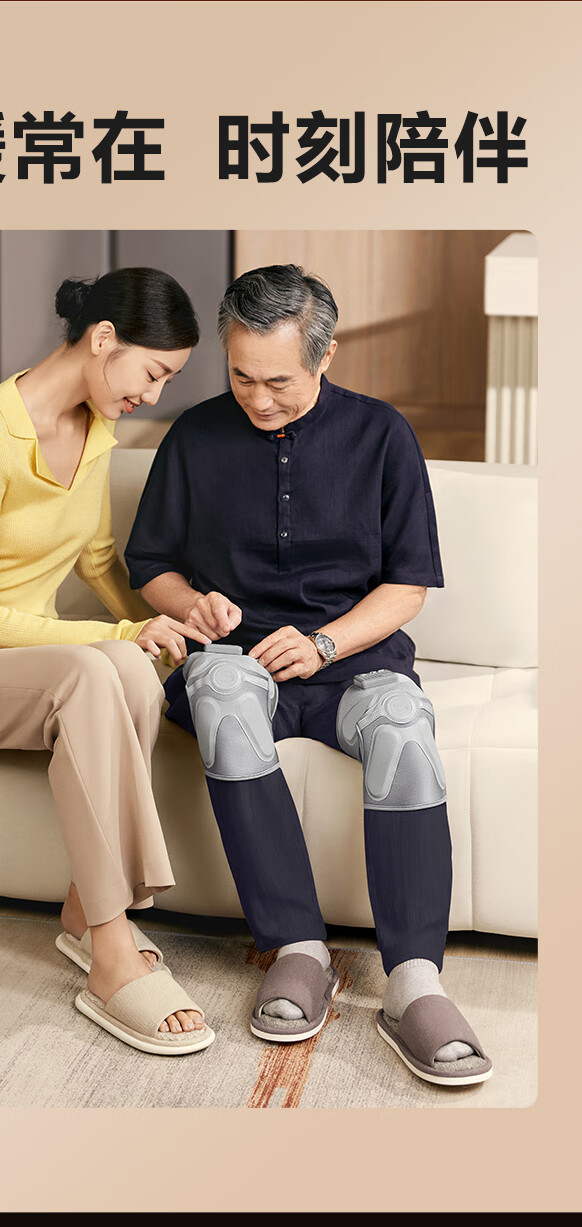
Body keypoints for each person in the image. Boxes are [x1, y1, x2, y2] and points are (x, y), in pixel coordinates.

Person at [124, 264, 491, 1086]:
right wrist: (193, 603)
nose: (257, 399)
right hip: (240, 660)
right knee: (218, 696)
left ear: (325, 357)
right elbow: (149, 563)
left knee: (403, 729)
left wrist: (325, 644)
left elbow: (408, 586)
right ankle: (296, 948)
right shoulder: (194, 437)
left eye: (279, 382)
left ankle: (414, 982)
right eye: (241, 377)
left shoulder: (383, 435)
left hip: (352, 663)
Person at [0, 266, 214, 1057]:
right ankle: (111, 950)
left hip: (22, 662)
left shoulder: (97, 426)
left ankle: (83, 909)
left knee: (127, 670)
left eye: (166, 382)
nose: (152, 395)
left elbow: (95, 557)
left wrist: (161, 623)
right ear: (104, 340)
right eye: (152, 373)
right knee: (99, 665)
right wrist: (115, 636)